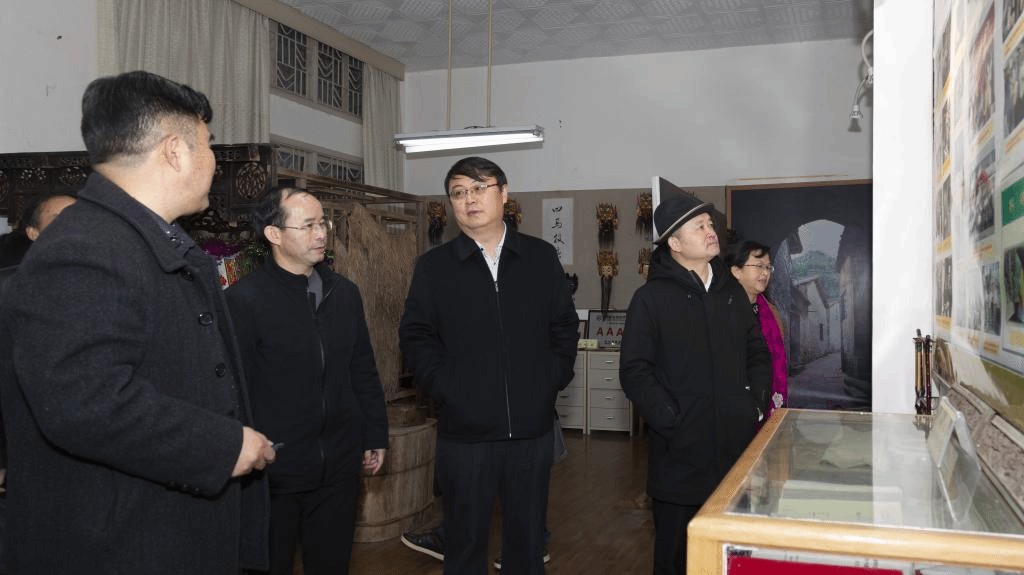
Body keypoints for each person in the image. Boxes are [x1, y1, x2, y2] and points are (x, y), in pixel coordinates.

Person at [0, 70, 275, 575]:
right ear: (175, 151)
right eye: (208, 144)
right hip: (119, 545)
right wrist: (220, 445)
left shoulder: (137, 238)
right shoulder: (82, 249)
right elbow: (84, 402)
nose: (213, 160)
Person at [399, 156, 579, 575]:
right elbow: (416, 337)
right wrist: (448, 390)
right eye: (458, 192)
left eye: (479, 188)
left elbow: (564, 326)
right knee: (463, 546)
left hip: (531, 431)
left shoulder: (539, 257)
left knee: (527, 546)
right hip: (465, 435)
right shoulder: (434, 268)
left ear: (504, 193)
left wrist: (551, 380)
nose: (469, 199)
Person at [226, 186, 389, 575]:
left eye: (323, 223)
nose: (321, 234)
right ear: (274, 234)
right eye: (309, 225)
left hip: (339, 467)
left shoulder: (343, 293)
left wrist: (374, 433)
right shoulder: (244, 300)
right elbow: (234, 387)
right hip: (274, 470)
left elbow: (362, 368)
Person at [619, 195, 770, 575]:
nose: (710, 230)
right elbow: (635, 370)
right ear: (674, 242)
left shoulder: (731, 293)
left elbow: (757, 352)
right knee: (676, 557)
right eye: (699, 226)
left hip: (735, 452)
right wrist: (671, 419)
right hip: (679, 457)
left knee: (729, 557)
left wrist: (754, 404)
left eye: (710, 223)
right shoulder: (650, 298)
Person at [727, 240, 788, 420]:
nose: (765, 273)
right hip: (736, 406)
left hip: (768, 401)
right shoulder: (724, 311)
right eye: (759, 266)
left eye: (768, 267)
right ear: (736, 271)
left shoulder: (771, 311)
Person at [0, 193, 77, 286]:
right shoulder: (11, 284)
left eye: (78, 218)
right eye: (59, 220)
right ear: (33, 234)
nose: (71, 225)